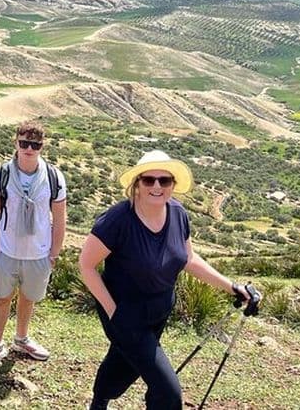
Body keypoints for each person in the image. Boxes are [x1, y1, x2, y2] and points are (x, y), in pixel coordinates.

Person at [78, 150, 260, 410]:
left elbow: (188, 259)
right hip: (124, 311)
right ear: (136, 184)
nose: (156, 186)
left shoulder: (177, 213)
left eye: (164, 181)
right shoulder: (118, 220)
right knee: (168, 392)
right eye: (148, 180)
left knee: (125, 361)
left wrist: (232, 287)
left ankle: (98, 402)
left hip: (160, 308)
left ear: (173, 185)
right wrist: (113, 311)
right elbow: (86, 265)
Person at [0, 121, 67, 368]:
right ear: (15, 143)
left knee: (28, 298)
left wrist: (53, 254)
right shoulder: (1, 174)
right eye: (24, 143)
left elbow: (59, 218)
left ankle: (21, 338)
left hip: (38, 252)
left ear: (42, 147)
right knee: (2, 298)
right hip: (7, 250)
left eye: (34, 145)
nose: (29, 149)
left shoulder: (54, 177)